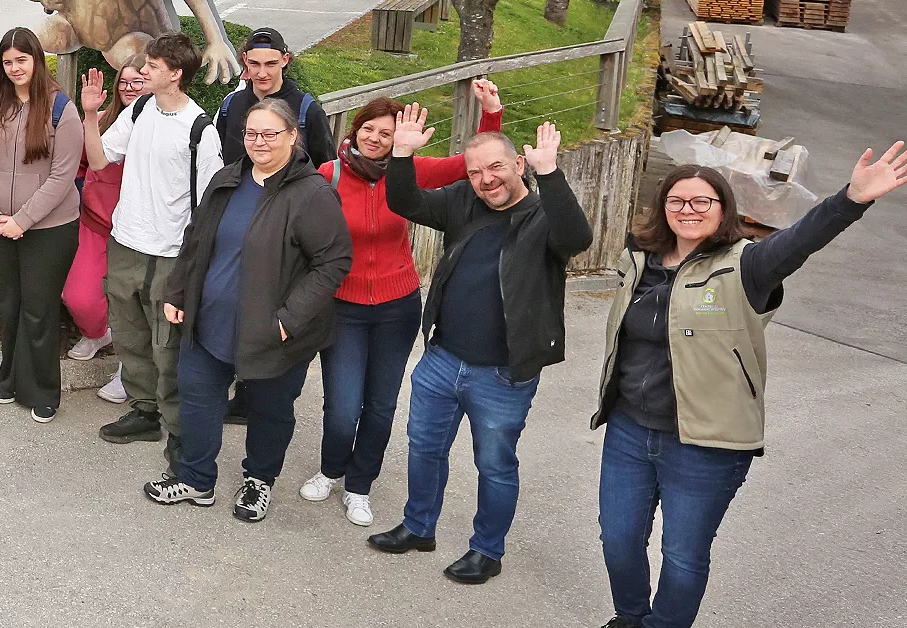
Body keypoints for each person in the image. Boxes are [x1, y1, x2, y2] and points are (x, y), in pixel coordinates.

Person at [584, 143, 907, 628]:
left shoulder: (747, 266)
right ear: (662, 207)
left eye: (703, 200)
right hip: (629, 429)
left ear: (723, 209)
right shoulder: (637, 260)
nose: (688, 209)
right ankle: (628, 618)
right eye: (677, 199)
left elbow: (800, 241)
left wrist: (853, 198)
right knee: (618, 537)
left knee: (682, 553)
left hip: (707, 442)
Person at [367, 107, 592, 584]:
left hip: (503, 373)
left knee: (494, 464)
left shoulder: (543, 215)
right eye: (475, 172)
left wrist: (551, 174)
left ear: (519, 165)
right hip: (442, 360)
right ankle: (418, 526)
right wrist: (402, 154)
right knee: (424, 448)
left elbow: (577, 237)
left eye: (496, 167)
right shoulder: (463, 201)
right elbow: (406, 203)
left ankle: (487, 550)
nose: (486, 180)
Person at [304, 79, 503, 529]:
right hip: (342, 305)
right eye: (368, 129)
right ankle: (331, 469)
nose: (376, 139)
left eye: (387, 133)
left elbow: (467, 165)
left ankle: (359, 486)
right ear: (353, 132)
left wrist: (490, 113)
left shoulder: (409, 171)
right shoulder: (329, 175)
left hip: (397, 305)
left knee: (380, 404)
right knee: (341, 402)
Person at [145, 97, 352, 518]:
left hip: (273, 331)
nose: (259, 142)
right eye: (251, 133)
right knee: (199, 399)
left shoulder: (312, 195)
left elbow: (333, 263)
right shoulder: (228, 179)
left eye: (270, 133)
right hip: (209, 320)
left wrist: (288, 320)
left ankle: (258, 481)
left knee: (270, 409)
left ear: (293, 136)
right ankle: (196, 480)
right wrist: (177, 292)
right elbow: (196, 240)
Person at [87, 33, 223, 456]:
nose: (143, 71)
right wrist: (91, 115)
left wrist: (193, 267)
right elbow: (97, 159)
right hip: (125, 242)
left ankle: (180, 430)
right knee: (129, 335)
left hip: (170, 253)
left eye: (152, 66)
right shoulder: (141, 108)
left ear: (176, 74)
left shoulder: (201, 130)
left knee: (167, 345)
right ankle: (145, 413)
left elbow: (207, 209)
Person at [0, 28, 82, 420]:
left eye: (22, 60)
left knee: (40, 309)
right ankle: (11, 378)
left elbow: (62, 176)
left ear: (36, 60)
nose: (15, 68)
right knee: (10, 304)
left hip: (49, 229)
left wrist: (23, 219)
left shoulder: (60, 110)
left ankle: (44, 390)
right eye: (7, 62)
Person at [65, 62, 148, 393]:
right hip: (96, 225)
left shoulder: (159, 128)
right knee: (79, 298)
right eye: (124, 82)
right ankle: (98, 334)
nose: (129, 88)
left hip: (141, 235)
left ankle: (129, 373)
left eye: (137, 82)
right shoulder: (102, 122)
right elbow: (82, 164)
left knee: (138, 308)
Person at [216, 27, 336, 169]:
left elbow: (326, 170)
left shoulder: (308, 110)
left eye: (270, 64)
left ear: (284, 60)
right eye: (254, 64)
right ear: (245, 60)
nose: (262, 73)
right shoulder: (230, 106)